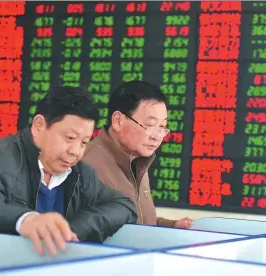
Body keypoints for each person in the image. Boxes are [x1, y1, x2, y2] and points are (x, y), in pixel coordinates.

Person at [0, 86, 137, 270]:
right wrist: (25, 220)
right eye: (69, 138)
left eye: (84, 142)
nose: (76, 152)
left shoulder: (81, 175)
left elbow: (124, 206)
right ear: (39, 126)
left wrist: (74, 229)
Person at [82, 80, 193, 228]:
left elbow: (137, 222)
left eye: (162, 127)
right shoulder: (85, 165)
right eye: (150, 125)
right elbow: (82, 231)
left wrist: (171, 226)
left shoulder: (137, 160)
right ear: (118, 121)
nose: (157, 136)